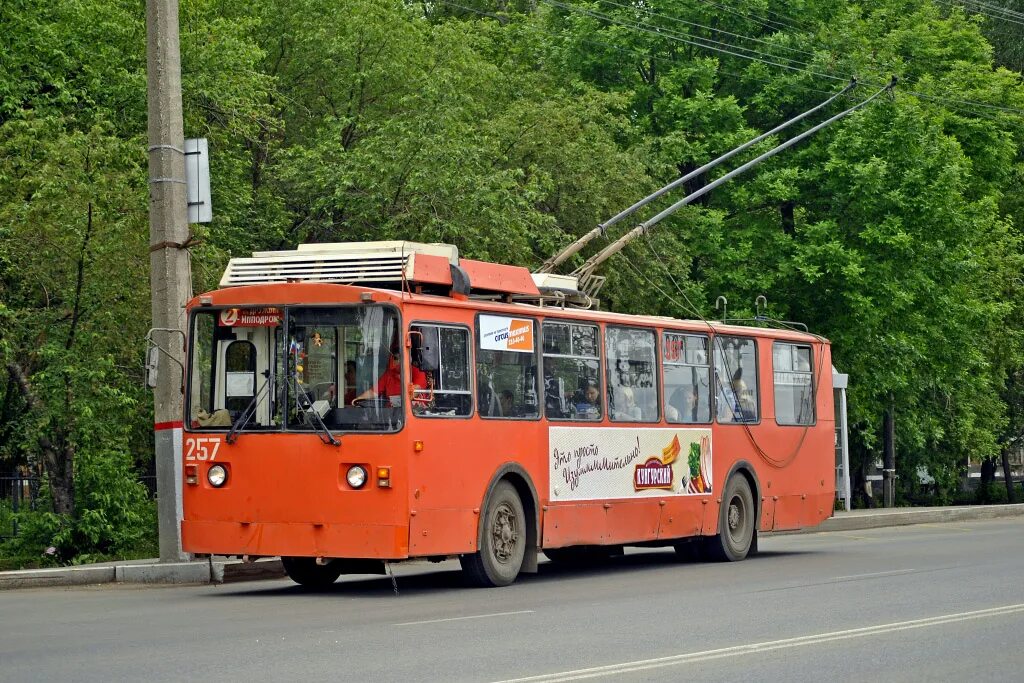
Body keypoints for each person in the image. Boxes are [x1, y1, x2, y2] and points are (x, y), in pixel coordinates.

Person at [352, 350, 427, 405]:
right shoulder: (389, 374)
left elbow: (415, 391)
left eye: (398, 358)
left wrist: (400, 402)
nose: (396, 361)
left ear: (407, 359)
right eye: (395, 358)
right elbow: (374, 391)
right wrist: (359, 399)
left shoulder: (418, 372)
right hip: (391, 414)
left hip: (413, 412)